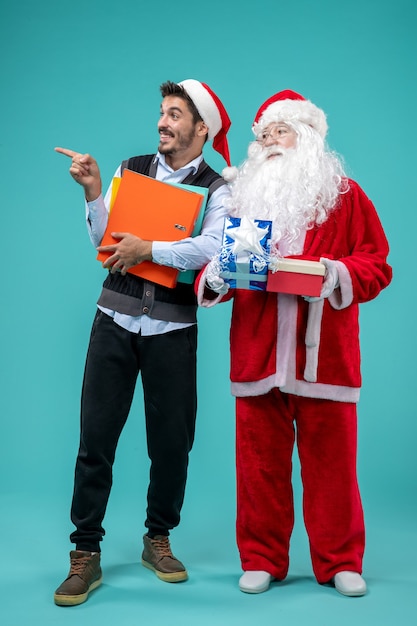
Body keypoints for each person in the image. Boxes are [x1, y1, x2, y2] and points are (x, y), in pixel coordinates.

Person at [196, 90, 392, 597]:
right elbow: (212, 280)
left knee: (333, 466)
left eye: (280, 132)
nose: (269, 144)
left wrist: (334, 273)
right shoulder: (243, 201)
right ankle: (262, 557)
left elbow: (377, 263)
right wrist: (217, 273)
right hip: (257, 355)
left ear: (306, 138)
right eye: (263, 136)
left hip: (324, 359)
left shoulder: (346, 196)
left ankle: (340, 560)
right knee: (258, 466)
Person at [53, 79, 231, 606]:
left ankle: (158, 538)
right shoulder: (130, 168)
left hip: (173, 331)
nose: (163, 122)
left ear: (202, 129)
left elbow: (213, 246)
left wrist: (150, 246)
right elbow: (104, 244)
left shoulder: (217, 188)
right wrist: (91, 191)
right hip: (114, 320)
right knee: (95, 440)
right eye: (161, 112)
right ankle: (85, 551)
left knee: (173, 443)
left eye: (175, 114)